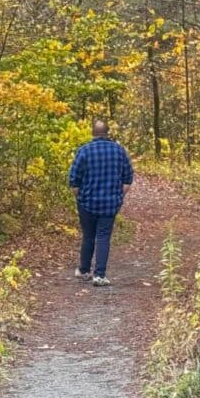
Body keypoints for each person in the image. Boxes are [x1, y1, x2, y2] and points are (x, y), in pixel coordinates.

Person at [68, 120, 133, 286]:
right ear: (107, 132)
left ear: (93, 132)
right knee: (103, 237)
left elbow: (74, 180)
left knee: (88, 236)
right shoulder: (119, 151)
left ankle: (83, 270)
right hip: (110, 203)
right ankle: (99, 275)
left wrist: (80, 197)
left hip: (87, 202)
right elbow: (128, 179)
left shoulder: (83, 151)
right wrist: (118, 196)